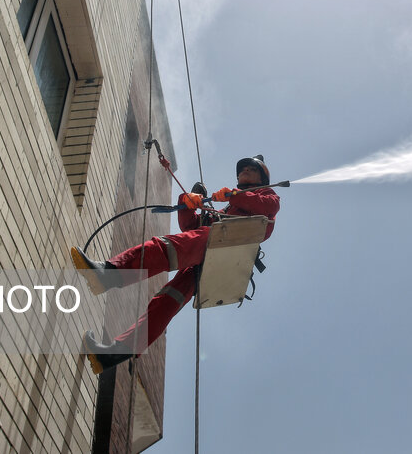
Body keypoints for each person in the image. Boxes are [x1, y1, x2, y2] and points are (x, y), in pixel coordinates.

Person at [71, 155, 281, 373]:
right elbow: (191, 227)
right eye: (243, 168)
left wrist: (235, 196)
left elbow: (264, 207)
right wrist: (188, 203)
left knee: (166, 248)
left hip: (227, 243)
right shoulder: (227, 211)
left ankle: (108, 273)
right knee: (165, 303)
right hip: (214, 252)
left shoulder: (268, 195)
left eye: (251, 168)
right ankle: (112, 355)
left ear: (262, 178)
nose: (245, 170)